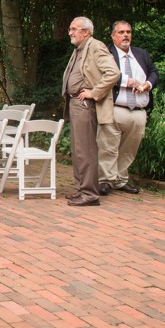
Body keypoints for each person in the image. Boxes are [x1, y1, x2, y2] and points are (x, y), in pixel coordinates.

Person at [61, 16, 119, 207]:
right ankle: (81, 189)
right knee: (78, 150)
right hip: (75, 103)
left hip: (85, 104)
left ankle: (89, 194)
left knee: (86, 150)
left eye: (74, 29)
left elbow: (113, 73)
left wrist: (94, 93)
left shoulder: (95, 46)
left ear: (86, 31)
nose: (70, 32)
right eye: (70, 29)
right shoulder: (80, 48)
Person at [97, 21, 158, 196]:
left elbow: (154, 73)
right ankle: (105, 180)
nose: (126, 35)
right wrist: (126, 81)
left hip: (138, 111)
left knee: (130, 149)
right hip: (115, 107)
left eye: (128, 32)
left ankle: (120, 179)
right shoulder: (107, 54)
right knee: (108, 146)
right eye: (121, 32)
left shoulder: (141, 54)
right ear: (113, 36)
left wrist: (147, 84)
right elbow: (101, 74)